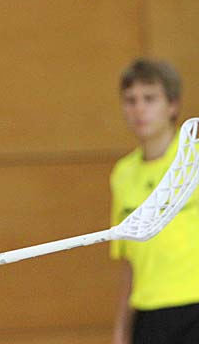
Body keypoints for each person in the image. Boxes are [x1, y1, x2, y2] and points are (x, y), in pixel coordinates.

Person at [110, 58, 199, 344]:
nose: (139, 109)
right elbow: (129, 259)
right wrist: (121, 330)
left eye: (149, 99)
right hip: (148, 315)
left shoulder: (194, 161)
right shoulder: (122, 174)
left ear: (172, 105)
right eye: (130, 100)